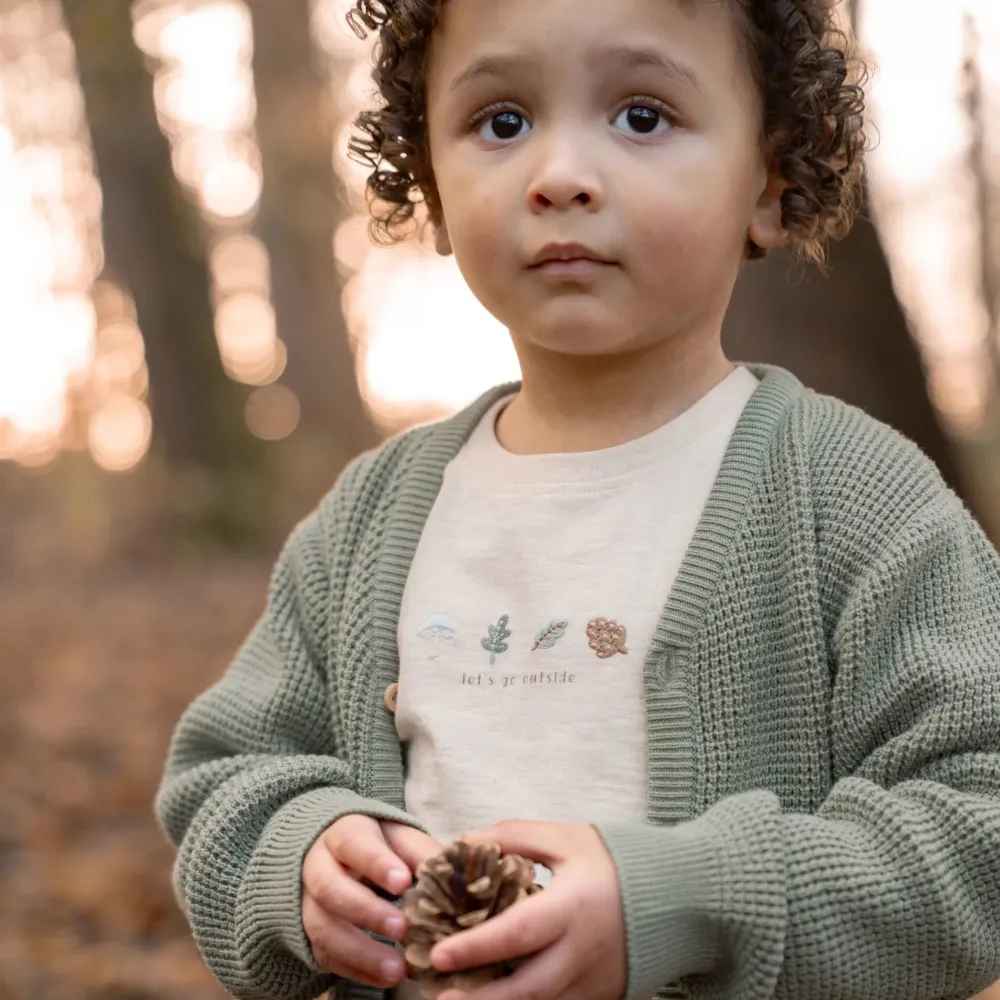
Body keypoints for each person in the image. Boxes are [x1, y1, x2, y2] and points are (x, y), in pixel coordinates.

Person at [155, 0, 1000, 999]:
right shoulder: (368, 520)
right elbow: (223, 782)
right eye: (501, 122)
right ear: (430, 186)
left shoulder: (855, 499)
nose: (558, 176)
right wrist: (297, 854)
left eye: (641, 115)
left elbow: (976, 823)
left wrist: (688, 898)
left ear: (768, 178)